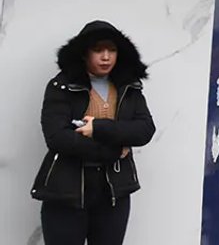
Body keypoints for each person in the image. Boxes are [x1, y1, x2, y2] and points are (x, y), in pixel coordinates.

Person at [31, 21, 156, 245]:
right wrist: (114, 150)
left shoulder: (129, 86)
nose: (106, 57)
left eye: (112, 50)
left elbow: (145, 129)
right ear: (84, 53)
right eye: (98, 50)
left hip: (114, 192)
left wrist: (98, 127)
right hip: (67, 191)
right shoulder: (61, 86)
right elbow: (57, 137)